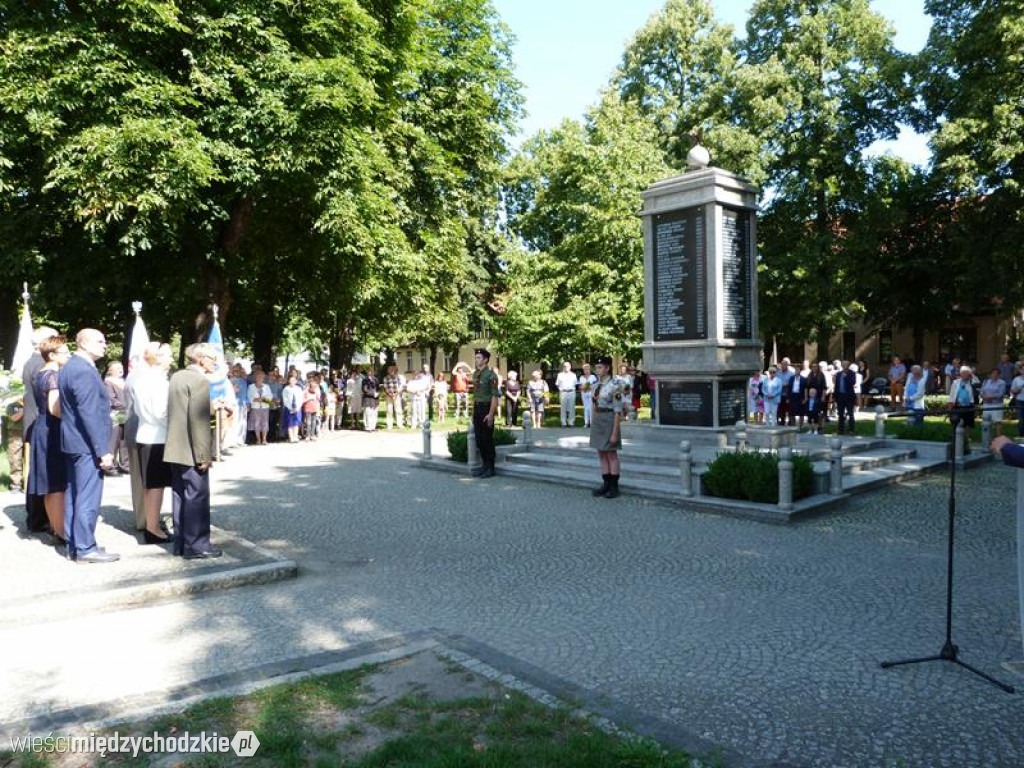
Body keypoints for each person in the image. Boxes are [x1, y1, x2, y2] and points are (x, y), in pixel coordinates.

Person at [58, 328, 116, 563]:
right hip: (86, 444)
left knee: (75, 495)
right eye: (99, 341)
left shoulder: (70, 366)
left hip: (74, 442)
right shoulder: (82, 370)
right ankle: (84, 548)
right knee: (87, 498)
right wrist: (102, 450)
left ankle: (76, 543)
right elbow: (89, 413)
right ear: (83, 344)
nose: (105, 345)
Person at [165, 343, 219, 559]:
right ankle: (197, 545)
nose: (214, 363)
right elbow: (198, 421)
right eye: (212, 358)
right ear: (201, 358)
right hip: (191, 449)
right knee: (197, 498)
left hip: (175, 447)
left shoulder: (177, 376)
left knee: (180, 496)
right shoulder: (199, 380)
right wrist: (204, 456)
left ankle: (181, 543)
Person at [28, 335, 70, 544]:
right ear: (52, 354)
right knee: (56, 483)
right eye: (65, 351)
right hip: (51, 430)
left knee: (49, 482)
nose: (68, 355)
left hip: (42, 427)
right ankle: (60, 531)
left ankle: (55, 527)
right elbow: (55, 408)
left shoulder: (40, 372)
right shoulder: (53, 374)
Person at [132, 342, 174, 544]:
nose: (171, 359)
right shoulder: (158, 381)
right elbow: (161, 413)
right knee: (156, 485)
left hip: (145, 434)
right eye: (167, 355)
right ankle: (154, 528)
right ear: (157, 357)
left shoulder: (142, 378)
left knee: (151, 485)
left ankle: (152, 524)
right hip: (158, 436)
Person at [22, 326, 59, 533]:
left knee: (37, 472)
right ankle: (38, 518)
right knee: (41, 474)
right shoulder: (40, 364)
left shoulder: (32, 361)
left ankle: (38, 516)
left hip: (34, 419)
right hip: (40, 420)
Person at [590, 356, 624, 498]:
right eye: (596, 367)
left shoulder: (615, 386)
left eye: (600, 367)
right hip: (598, 420)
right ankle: (605, 484)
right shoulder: (595, 385)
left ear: (607, 368)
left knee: (611, 453)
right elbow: (593, 404)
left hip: (609, 419)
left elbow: (618, 411)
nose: (598, 370)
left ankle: (614, 486)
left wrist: (615, 432)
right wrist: (592, 423)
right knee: (601, 453)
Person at [471, 349, 499, 478]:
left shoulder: (491, 375)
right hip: (477, 408)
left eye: (478, 357)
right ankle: (484, 466)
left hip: (486, 408)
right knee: (479, 439)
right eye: (476, 357)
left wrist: (491, 414)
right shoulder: (476, 374)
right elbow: (475, 395)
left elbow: (494, 396)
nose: (476, 360)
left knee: (487, 439)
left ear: (485, 360)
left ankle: (490, 467)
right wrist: (473, 412)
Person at [104, 361, 130, 475]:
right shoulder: (108, 382)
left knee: (125, 440)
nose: (120, 369)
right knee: (114, 440)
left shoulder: (124, 382)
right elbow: (111, 400)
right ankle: (111, 466)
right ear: (110, 371)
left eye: (121, 367)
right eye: (117, 368)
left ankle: (125, 465)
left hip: (126, 413)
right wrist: (128, 405)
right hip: (115, 414)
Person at [247, 369, 273, 445]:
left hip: (265, 407)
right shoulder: (251, 387)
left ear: (263, 378)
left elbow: (270, 398)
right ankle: (258, 440)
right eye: (258, 377)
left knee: (265, 423)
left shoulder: (267, 386)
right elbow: (249, 397)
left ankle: (264, 439)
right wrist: (257, 399)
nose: (259, 378)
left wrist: (264, 400)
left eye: (261, 377)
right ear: (255, 378)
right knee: (257, 423)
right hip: (255, 407)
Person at [980, 367, 1007, 436]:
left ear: (999, 375)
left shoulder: (1002, 382)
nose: (995, 375)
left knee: (998, 422)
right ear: (990, 374)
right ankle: (988, 438)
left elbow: (1001, 394)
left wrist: (990, 397)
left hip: (997, 405)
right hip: (986, 405)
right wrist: (983, 396)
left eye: (997, 374)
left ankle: (998, 438)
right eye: (993, 373)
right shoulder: (986, 381)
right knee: (987, 422)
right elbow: (981, 391)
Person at [834, 361, 858, 435]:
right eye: (843, 365)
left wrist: (846, 377)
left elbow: (853, 383)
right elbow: (836, 386)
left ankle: (851, 430)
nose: (844, 366)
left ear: (848, 365)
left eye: (846, 365)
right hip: (840, 396)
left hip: (849, 397)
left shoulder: (852, 373)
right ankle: (841, 430)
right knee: (840, 414)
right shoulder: (838, 374)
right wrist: (835, 396)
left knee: (850, 413)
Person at [281, 373, 304, 443]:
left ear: (296, 381)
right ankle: (291, 437)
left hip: (297, 408)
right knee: (289, 423)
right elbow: (285, 399)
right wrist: (290, 408)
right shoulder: (286, 389)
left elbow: (301, 399)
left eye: (294, 380)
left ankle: (295, 436)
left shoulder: (299, 389)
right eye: (291, 380)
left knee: (296, 422)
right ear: (288, 381)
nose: (292, 381)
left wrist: (297, 408)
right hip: (289, 408)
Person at [382, 363, 406, 430]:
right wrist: (390, 394)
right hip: (388, 396)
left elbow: (400, 386)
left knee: (398, 410)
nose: (391, 370)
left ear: (394, 370)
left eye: (392, 369)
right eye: (390, 369)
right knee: (389, 411)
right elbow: (385, 387)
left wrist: (396, 394)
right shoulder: (386, 378)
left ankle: (400, 424)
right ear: (388, 370)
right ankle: (389, 425)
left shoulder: (398, 377)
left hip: (397, 396)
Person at [555, 362, 578, 427]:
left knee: (572, 408)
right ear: (563, 367)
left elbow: (576, 384)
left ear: (570, 367)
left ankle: (571, 422)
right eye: (565, 366)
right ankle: (563, 422)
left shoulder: (573, 375)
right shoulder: (560, 375)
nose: (566, 367)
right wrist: (560, 389)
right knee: (563, 408)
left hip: (571, 392)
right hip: (563, 392)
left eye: (567, 366)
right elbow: (557, 384)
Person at [776, 358, 795, 425]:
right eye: (782, 365)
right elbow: (776, 382)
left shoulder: (791, 374)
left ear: (787, 365)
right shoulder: (778, 373)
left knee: (788, 408)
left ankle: (790, 421)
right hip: (780, 394)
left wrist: (786, 385)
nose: (783, 366)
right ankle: (782, 421)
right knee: (780, 408)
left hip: (788, 393)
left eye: (784, 364)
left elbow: (792, 383)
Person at [362, 367, 380, 431]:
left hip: (375, 399)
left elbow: (378, 389)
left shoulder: (376, 379)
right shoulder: (365, 380)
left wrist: (377, 394)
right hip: (367, 398)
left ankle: (373, 427)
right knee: (368, 413)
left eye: (372, 371)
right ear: (368, 372)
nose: (371, 373)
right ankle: (368, 427)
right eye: (370, 371)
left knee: (374, 413)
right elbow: (365, 390)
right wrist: (372, 394)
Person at [1010, 363, 1024, 437]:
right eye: (1023, 369)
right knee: (1021, 420)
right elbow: (1012, 390)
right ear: (1020, 370)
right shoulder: (1016, 379)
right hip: (1019, 401)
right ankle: (1021, 436)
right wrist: (1017, 390)